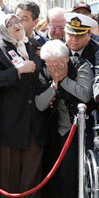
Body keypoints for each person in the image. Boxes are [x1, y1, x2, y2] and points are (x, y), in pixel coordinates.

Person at [0, 14, 46, 198]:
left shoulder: (35, 45)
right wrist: (17, 71)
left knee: (32, 172)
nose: (16, 25)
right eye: (10, 24)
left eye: (17, 21)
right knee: (10, 173)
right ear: (4, 29)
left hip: (34, 119)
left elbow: (42, 76)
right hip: (10, 121)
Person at [36, 39, 93, 198]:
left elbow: (85, 94)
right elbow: (40, 104)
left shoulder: (81, 65)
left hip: (76, 129)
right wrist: (54, 85)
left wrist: (64, 80)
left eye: (58, 64)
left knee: (69, 173)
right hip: (52, 131)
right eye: (49, 64)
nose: (53, 68)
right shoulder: (44, 71)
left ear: (66, 59)